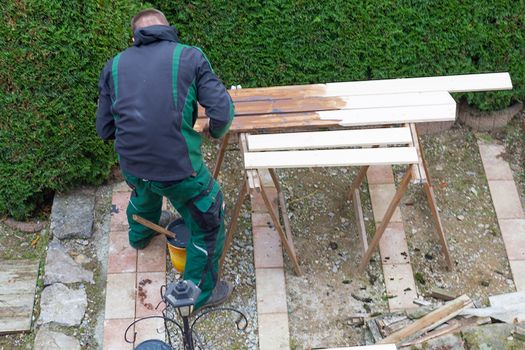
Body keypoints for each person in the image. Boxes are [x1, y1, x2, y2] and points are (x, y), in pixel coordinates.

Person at [96, 8, 234, 310]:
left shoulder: (114, 66)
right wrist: (214, 131)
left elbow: (104, 128)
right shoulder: (190, 57)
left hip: (132, 167)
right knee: (209, 218)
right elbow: (222, 114)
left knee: (143, 189)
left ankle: (140, 235)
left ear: (135, 37)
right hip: (179, 173)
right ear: (168, 29)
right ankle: (201, 294)